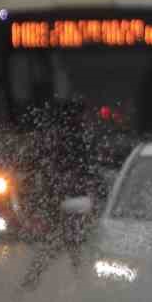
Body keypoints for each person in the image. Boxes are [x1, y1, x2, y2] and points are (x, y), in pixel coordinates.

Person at [17, 96, 101, 291]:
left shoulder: (57, 138)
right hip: (72, 201)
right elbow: (87, 171)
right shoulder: (76, 138)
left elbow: (35, 163)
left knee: (61, 244)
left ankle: (32, 281)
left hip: (62, 200)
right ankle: (83, 284)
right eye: (82, 115)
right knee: (70, 244)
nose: (84, 119)